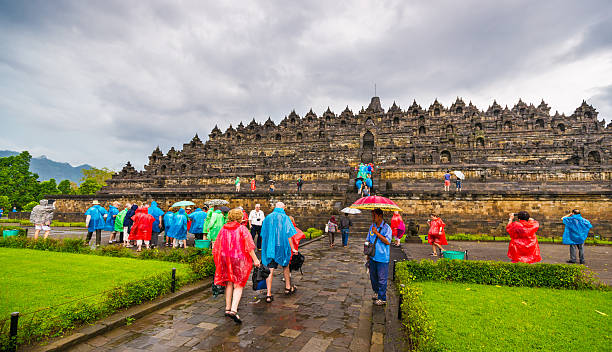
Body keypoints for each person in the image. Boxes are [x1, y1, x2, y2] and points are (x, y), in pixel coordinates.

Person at [213, 208, 260, 324]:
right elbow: (249, 247)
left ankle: (227, 308)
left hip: (225, 258)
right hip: (239, 259)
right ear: (240, 217)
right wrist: (255, 260)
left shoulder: (223, 229)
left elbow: (217, 245)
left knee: (229, 282)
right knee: (238, 284)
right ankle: (234, 310)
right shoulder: (242, 229)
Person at [260, 202, 298, 303]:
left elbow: (263, 234)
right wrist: (293, 248)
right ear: (283, 208)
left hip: (271, 247)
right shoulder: (285, 218)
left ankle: (268, 294)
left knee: (270, 269)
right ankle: (287, 287)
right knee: (285, 266)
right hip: (282, 246)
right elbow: (289, 234)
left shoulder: (268, 218)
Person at [366, 208, 392, 306]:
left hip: (382, 257)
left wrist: (377, 233)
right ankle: (376, 293)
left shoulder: (386, 228)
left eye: (374, 216)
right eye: (372, 215)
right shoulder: (371, 226)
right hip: (373, 256)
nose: (372, 218)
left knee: (382, 279)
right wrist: (367, 254)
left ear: (380, 216)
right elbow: (368, 239)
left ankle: (382, 298)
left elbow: (387, 241)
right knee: (373, 277)